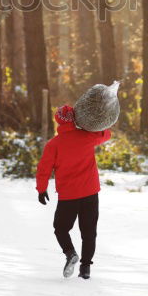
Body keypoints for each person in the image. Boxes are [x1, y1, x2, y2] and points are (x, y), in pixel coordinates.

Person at [36, 104, 112, 279]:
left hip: (68, 196)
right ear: (76, 118)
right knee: (89, 232)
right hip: (90, 192)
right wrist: (95, 122)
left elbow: (43, 169)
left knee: (60, 228)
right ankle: (85, 269)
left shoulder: (53, 144)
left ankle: (70, 253)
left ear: (58, 121)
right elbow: (106, 134)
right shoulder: (87, 136)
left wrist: (41, 189)